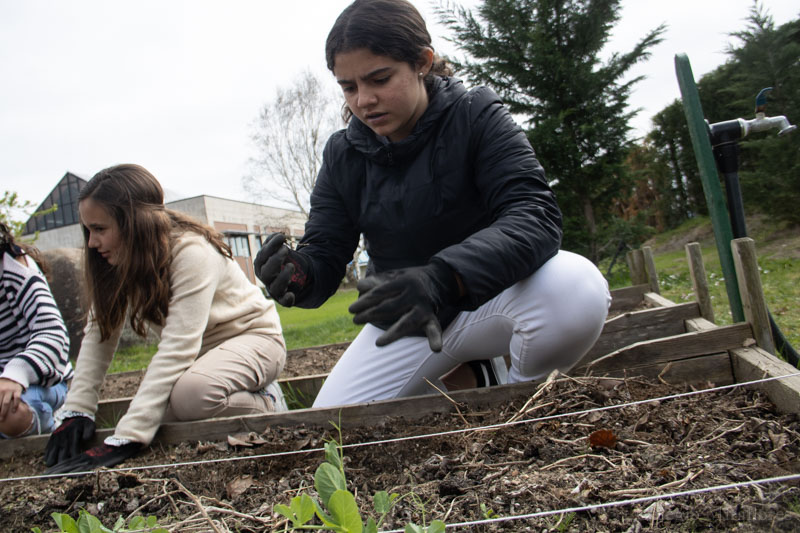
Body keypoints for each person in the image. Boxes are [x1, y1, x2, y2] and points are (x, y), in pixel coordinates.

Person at [254, 0, 611, 408]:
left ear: (423, 62)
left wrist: (444, 278)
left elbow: (534, 215)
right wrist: (298, 275)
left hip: (491, 297)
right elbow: (326, 252)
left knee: (576, 286)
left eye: (379, 79)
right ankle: (476, 374)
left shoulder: (476, 114)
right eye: (349, 87)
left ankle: (522, 401)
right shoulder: (343, 153)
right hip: (406, 317)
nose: (364, 100)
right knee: (335, 424)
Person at [44, 164, 287, 474]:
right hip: (199, 358)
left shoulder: (192, 251)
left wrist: (128, 437)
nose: (91, 242)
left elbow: (177, 346)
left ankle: (269, 401)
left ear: (134, 224)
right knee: (162, 412)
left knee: (188, 399)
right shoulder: (120, 261)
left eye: (100, 229)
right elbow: (99, 334)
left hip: (254, 340)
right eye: (88, 230)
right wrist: (77, 410)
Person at [0, 222, 72, 438]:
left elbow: (53, 334)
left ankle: (49, 419)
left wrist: (15, 375)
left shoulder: (17, 272)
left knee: (11, 414)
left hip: (39, 379)